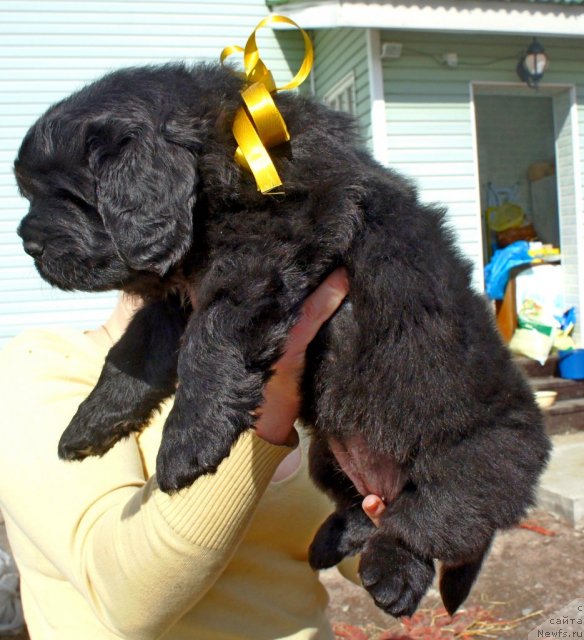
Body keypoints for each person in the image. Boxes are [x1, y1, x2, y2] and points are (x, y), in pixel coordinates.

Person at [0, 269, 386, 640]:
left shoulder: (291, 368)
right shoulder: (45, 365)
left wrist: (419, 513)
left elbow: (360, 553)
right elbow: (128, 600)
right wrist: (273, 402)